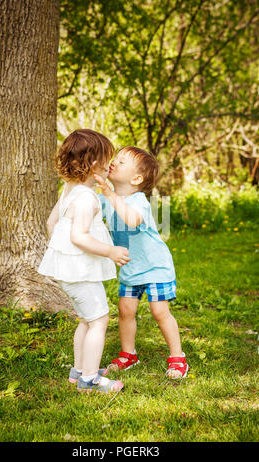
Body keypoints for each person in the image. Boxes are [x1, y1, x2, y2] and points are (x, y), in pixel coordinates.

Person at [38, 129, 130, 393]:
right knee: (99, 320)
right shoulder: (87, 198)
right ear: (92, 164)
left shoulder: (70, 190)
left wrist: (62, 255)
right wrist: (109, 251)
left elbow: (51, 223)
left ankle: (79, 370)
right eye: (106, 159)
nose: (110, 164)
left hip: (70, 270)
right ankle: (89, 380)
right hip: (79, 271)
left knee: (86, 319)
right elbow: (79, 237)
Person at [94, 146, 189, 379]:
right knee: (125, 310)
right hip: (131, 267)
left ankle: (178, 358)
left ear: (136, 178)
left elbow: (133, 220)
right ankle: (128, 354)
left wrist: (109, 194)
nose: (114, 162)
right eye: (114, 159)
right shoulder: (104, 198)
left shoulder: (138, 201)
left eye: (122, 162)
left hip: (155, 266)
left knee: (159, 311)